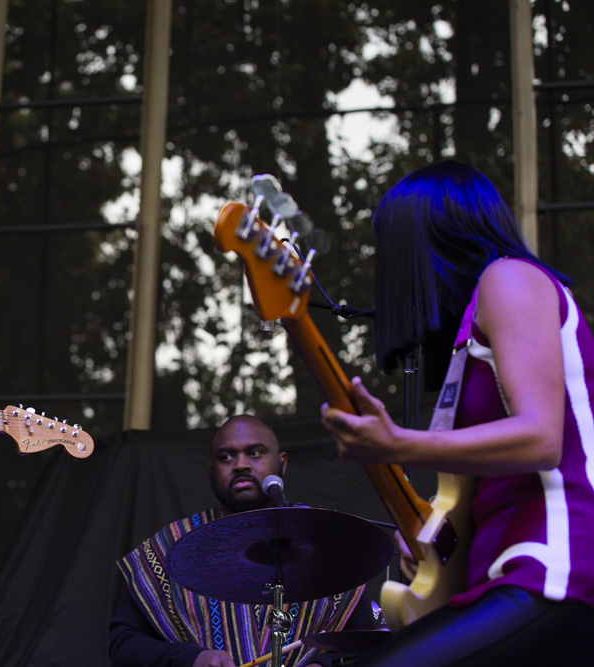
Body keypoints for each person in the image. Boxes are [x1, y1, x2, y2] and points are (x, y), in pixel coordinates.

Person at [320, 160, 594, 664]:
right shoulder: (473, 330)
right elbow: (493, 481)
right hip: (503, 575)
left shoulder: (508, 278)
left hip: (558, 565)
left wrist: (397, 442)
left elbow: (541, 438)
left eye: (391, 244)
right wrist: (442, 547)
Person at [108, 415, 379, 667]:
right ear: (212, 470)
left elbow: (365, 642)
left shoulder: (326, 543)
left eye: (255, 453)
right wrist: (191, 658)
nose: (240, 465)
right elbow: (122, 643)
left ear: (282, 463)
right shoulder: (170, 547)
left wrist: (323, 664)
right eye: (226, 457)